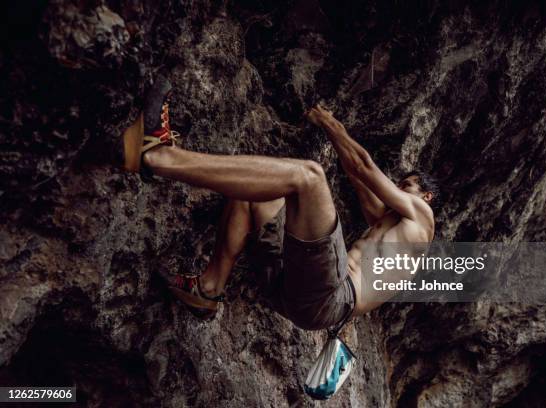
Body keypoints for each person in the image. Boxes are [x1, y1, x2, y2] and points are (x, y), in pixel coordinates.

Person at [122, 77, 436, 330]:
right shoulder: (392, 226)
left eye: (406, 186)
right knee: (254, 191)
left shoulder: (422, 216)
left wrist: (329, 122)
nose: (397, 189)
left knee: (309, 176)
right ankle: (208, 289)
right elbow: (359, 180)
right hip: (297, 296)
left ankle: (159, 155)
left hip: (330, 297)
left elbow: (363, 167)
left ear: (426, 196)